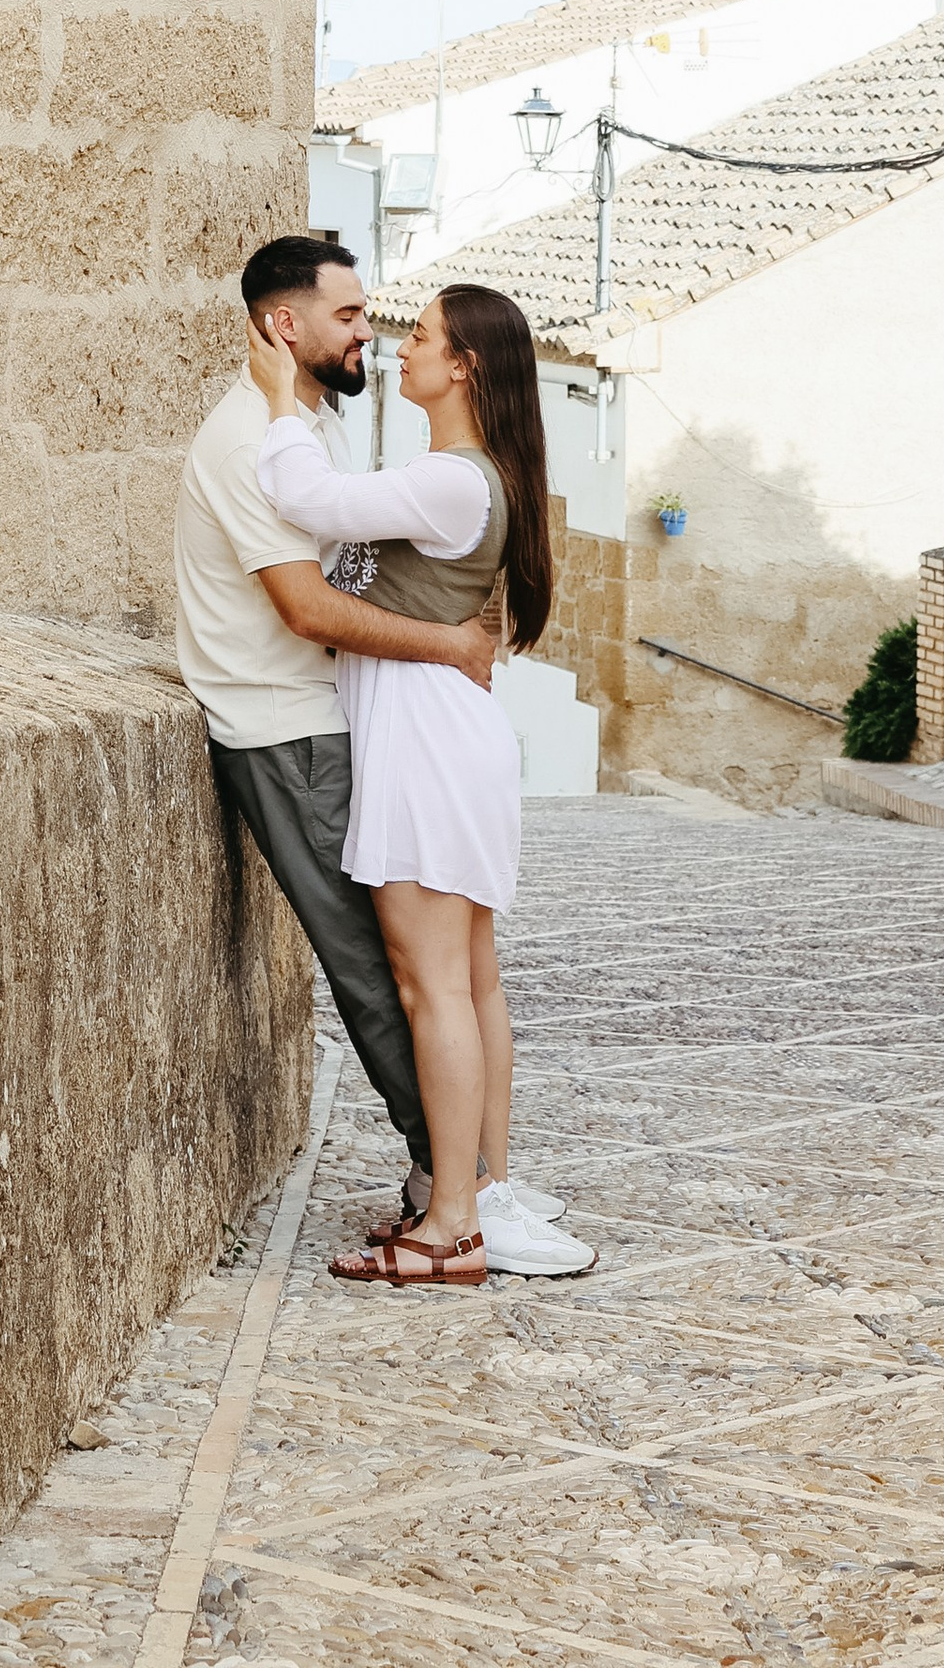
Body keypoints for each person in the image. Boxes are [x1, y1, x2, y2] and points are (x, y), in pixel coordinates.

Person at [250, 279, 582, 1289]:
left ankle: (448, 1226)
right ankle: (483, 1194)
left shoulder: (456, 481)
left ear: (465, 365)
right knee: (469, 980)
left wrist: (275, 400)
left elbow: (311, 501)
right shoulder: (465, 475)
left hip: (427, 745)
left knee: (431, 981)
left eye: (423, 338)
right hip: (440, 737)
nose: (402, 351)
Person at [173, 234, 493, 1243]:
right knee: (374, 965)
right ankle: (453, 1193)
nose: (369, 334)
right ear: (286, 325)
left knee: (424, 962)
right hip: (286, 731)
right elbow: (308, 609)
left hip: (334, 722)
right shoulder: (243, 440)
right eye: (350, 317)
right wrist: (445, 645)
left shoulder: (305, 425)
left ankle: (467, 1188)